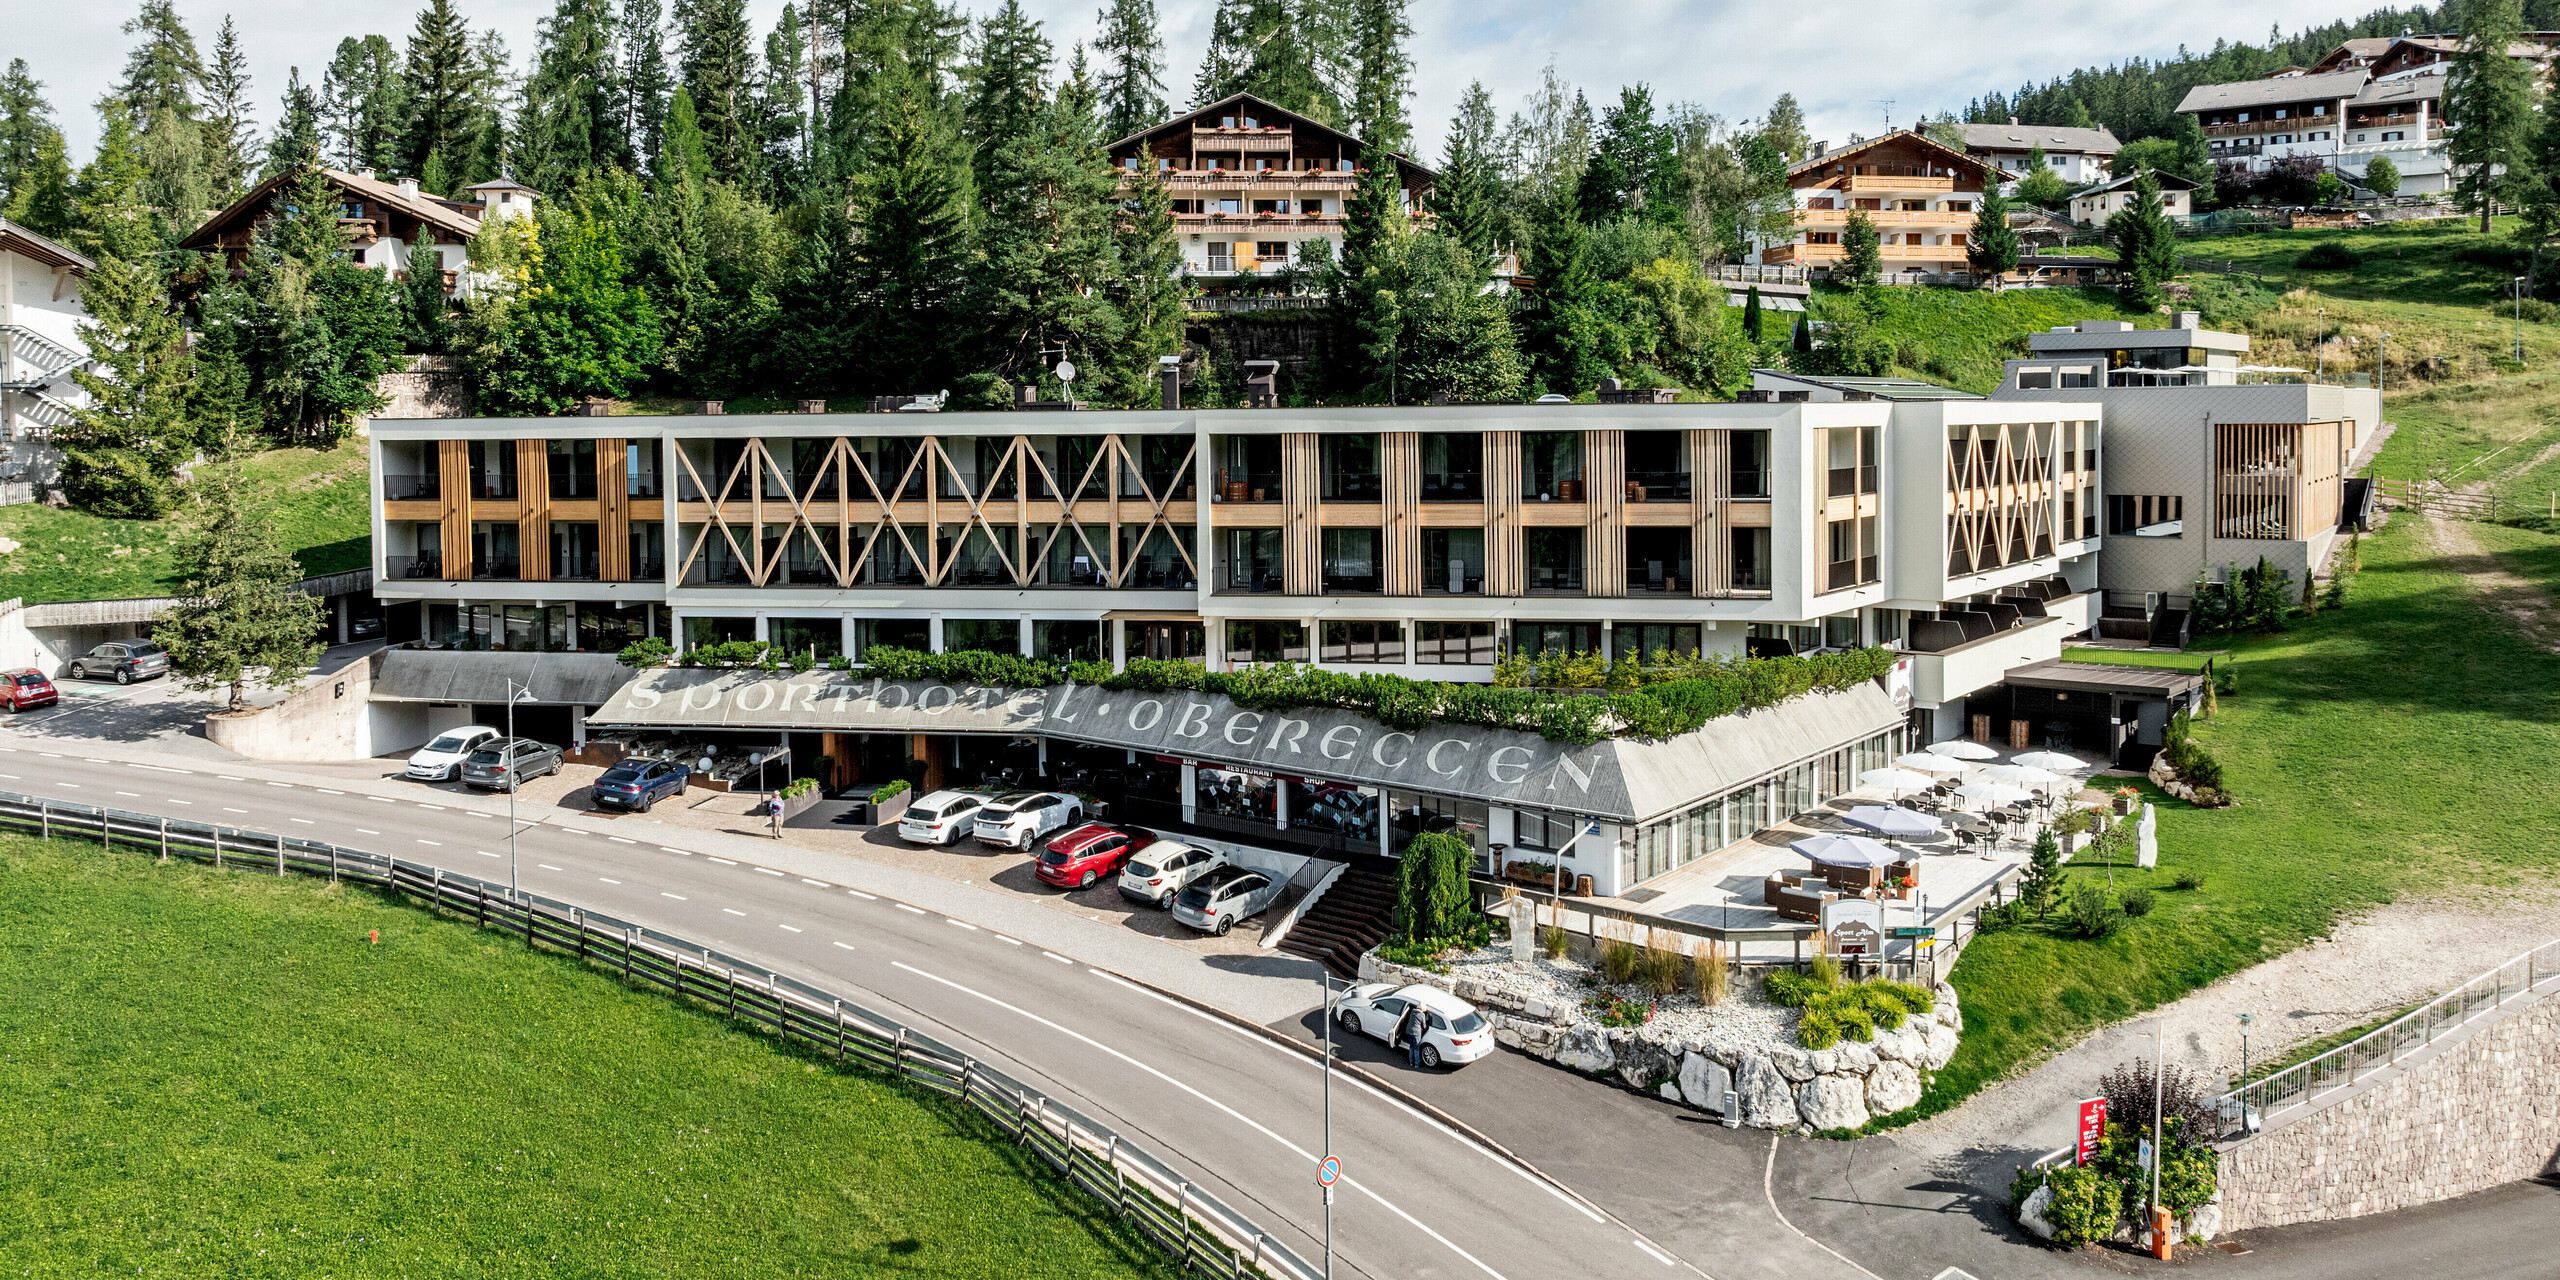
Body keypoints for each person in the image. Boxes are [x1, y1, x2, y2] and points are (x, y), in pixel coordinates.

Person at [1397, 1001, 1430, 1068]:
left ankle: (1411, 1062)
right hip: (1416, 1033)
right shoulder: (1422, 1015)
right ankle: (1416, 1063)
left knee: (1411, 1046)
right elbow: (1423, 1026)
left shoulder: (1412, 1011)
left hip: (1408, 1031)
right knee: (1416, 1048)